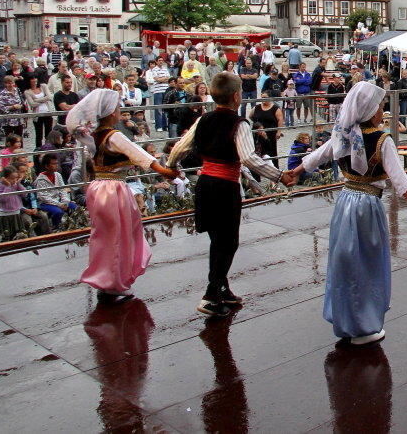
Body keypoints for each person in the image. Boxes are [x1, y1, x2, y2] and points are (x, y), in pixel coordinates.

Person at [285, 82, 407, 344]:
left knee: (345, 261)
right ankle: (364, 326)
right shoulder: (382, 139)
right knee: (366, 263)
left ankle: (347, 319)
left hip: (345, 203)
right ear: (368, 109)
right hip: (367, 206)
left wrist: (295, 173)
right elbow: (399, 179)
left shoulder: (343, 134)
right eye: (378, 106)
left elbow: (319, 155)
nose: (381, 110)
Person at [169, 73, 291, 316]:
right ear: (237, 96)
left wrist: (170, 166)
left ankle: (221, 287)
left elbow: (181, 146)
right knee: (228, 242)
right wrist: (279, 175)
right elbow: (248, 157)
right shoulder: (239, 124)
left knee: (218, 240)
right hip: (225, 186)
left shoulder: (204, 119)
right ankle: (211, 295)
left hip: (205, 183)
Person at [66, 89, 179, 302]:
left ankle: (106, 280)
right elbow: (138, 154)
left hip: (99, 186)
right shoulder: (113, 135)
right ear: (110, 112)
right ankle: (114, 283)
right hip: (113, 188)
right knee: (119, 236)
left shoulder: (94, 134)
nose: (120, 111)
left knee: (104, 236)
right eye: (117, 107)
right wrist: (164, 171)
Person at [34, 153, 78, 229]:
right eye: (53, 164)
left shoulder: (58, 175)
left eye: (56, 163)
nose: (56, 165)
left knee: (74, 207)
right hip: (46, 203)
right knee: (58, 212)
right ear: (46, 166)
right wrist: (59, 204)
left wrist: (65, 201)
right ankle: (56, 227)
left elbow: (62, 189)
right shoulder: (40, 179)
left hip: (59, 200)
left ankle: (74, 226)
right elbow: (43, 197)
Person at [250, 93, 283, 168]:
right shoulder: (256, 107)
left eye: (265, 97)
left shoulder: (275, 108)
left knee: (272, 152)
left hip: (270, 133)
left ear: (270, 98)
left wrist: (279, 132)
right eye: (262, 97)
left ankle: (274, 170)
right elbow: (250, 116)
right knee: (257, 151)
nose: (263, 99)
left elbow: (280, 120)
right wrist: (257, 125)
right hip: (258, 134)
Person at [24, 75, 53, 148]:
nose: (34, 81)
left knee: (49, 133)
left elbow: (49, 97)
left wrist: (37, 100)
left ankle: (48, 147)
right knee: (39, 134)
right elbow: (32, 104)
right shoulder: (27, 91)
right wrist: (44, 99)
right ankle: (39, 149)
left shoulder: (43, 86)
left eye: (35, 79)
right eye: (32, 79)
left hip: (47, 112)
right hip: (37, 115)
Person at [146, 58, 171, 132]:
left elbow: (168, 79)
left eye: (162, 60)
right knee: (158, 109)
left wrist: (161, 79)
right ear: (156, 62)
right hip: (157, 91)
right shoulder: (154, 70)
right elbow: (157, 79)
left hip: (165, 90)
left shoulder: (165, 69)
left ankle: (165, 126)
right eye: (159, 60)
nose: (161, 62)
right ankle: (158, 126)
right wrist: (163, 79)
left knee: (165, 109)